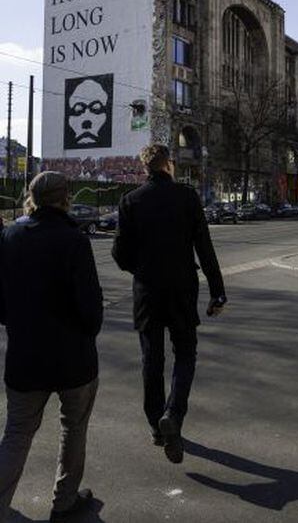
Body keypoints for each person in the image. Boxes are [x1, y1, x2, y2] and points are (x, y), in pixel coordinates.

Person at [112, 144, 226, 464]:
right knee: (186, 353)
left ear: (145, 168)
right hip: (182, 290)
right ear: (169, 165)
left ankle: (156, 426)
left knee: (152, 358)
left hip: (147, 292)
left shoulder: (130, 201)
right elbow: (204, 247)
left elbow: (119, 254)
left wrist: (143, 269)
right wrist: (218, 292)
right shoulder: (187, 197)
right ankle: (173, 415)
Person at [0, 171, 103, 522]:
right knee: (73, 428)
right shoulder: (74, 239)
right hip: (74, 357)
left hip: (25, 356)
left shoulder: (10, 235)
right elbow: (90, 306)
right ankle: (64, 501)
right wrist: (86, 330)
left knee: (16, 433)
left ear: (31, 198)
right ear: (65, 199)